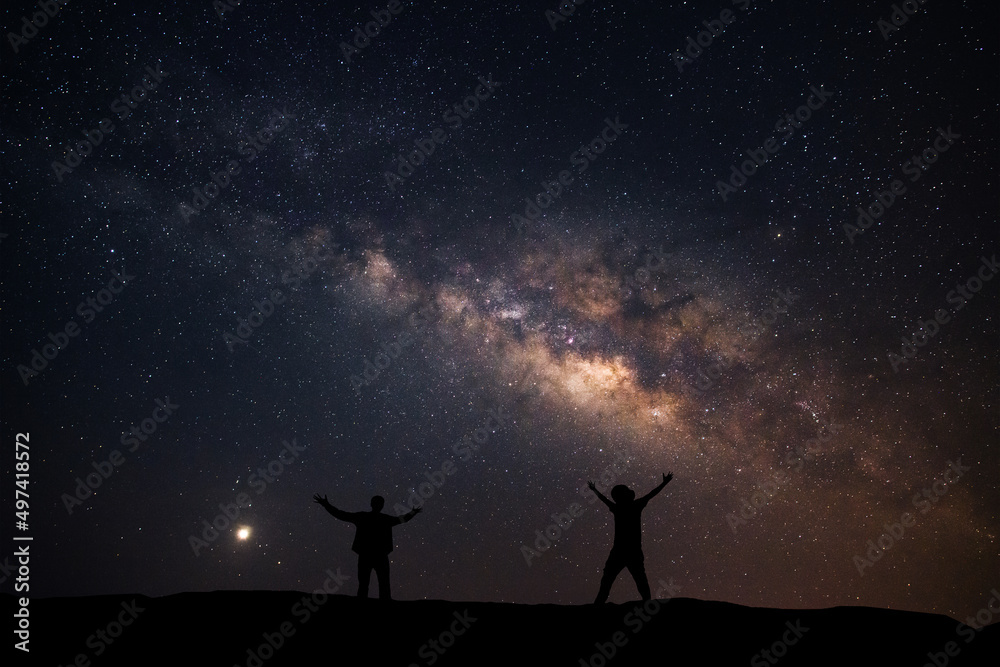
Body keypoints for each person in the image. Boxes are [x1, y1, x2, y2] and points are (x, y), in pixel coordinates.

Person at [313, 493, 421, 600]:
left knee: (366, 583)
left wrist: (326, 505)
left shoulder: (363, 517)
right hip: (379, 555)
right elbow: (402, 519)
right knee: (381, 584)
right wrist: (413, 513)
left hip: (367, 555)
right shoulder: (384, 519)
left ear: (371, 504)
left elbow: (341, 515)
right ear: (381, 505)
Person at [588, 472, 673, 603]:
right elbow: (652, 493)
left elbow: (604, 500)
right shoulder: (636, 506)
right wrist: (665, 483)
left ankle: (598, 604)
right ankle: (646, 604)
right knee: (640, 580)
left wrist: (594, 490)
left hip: (618, 552)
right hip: (632, 551)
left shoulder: (617, 508)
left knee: (607, 581)